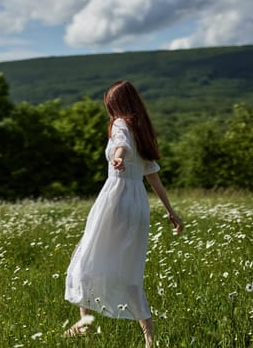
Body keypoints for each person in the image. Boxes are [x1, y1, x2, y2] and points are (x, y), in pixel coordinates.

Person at [64, 80, 183, 347]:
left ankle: (85, 324)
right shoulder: (141, 131)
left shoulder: (120, 124)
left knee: (84, 257)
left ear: (115, 105)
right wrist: (170, 211)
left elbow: (121, 145)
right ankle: (150, 338)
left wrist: (117, 156)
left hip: (116, 199)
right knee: (129, 271)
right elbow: (152, 176)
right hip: (137, 204)